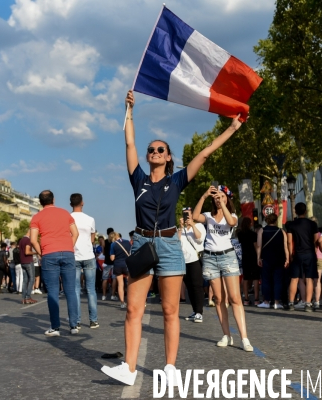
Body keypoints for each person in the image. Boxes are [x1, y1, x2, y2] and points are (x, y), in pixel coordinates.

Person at [101, 90, 243, 386]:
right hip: (141, 244)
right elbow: (129, 141)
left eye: (160, 150)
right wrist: (129, 110)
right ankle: (128, 368)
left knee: (170, 309)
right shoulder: (137, 179)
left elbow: (204, 154)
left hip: (168, 245)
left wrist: (231, 127)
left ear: (168, 158)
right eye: (151, 150)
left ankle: (169, 367)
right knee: (133, 308)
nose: (153, 152)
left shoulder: (176, 180)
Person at [194, 184, 253, 351]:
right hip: (210, 258)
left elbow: (232, 221)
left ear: (227, 199)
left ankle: (244, 338)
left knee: (235, 298)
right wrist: (205, 196)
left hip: (228, 257)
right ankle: (227, 335)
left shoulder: (232, 214)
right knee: (218, 299)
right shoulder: (208, 216)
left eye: (222, 196)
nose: (219, 199)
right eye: (217, 196)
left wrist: (224, 204)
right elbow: (195, 216)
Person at [30, 190, 79, 335]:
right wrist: (69, 246)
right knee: (70, 290)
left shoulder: (36, 217)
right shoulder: (65, 213)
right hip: (68, 253)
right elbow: (75, 233)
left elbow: (33, 240)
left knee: (52, 292)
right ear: (54, 199)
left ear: (40, 202)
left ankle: (55, 327)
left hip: (49, 254)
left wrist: (41, 253)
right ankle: (74, 325)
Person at [70, 193, 99, 328]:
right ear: (82, 203)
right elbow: (92, 239)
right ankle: (93, 320)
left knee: (75, 290)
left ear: (71, 204)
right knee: (91, 289)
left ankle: (77, 321)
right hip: (88, 255)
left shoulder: (67, 218)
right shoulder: (90, 219)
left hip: (74, 255)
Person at [286, 203, 319, 312]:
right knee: (309, 279)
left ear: (295, 211)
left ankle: (291, 302)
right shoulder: (312, 224)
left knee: (294, 279)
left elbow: (289, 241)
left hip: (297, 254)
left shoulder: (291, 225)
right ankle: (308, 304)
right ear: (305, 211)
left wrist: (291, 254)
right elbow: (316, 240)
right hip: (309, 253)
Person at [178, 208, 206, 322]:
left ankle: (200, 312)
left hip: (195, 259)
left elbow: (199, 239)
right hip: (183, 261)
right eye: (185, 215)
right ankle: (195, 310)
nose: (187, 217)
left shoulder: (199, 226)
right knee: (189, 287)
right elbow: (177, 242)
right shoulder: (182, 229)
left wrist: (193, 225)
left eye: (188, 214)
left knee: (197, 286)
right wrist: (180, 227)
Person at [256, 213, 289, 309]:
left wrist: (258, 257)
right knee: (278, 280)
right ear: (276, 220)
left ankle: (266, 301)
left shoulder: (262, 231)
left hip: (266, 258)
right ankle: (277, 302)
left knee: (265, 280)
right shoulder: (281, 231)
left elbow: (259, 246)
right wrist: (287, 258)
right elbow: (285, 246)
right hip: (279, 259)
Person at [238, 217, 259, 306]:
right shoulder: (253, 234)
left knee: (245, 278)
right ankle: (256, 299)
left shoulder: (240, 234)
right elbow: (256, 246)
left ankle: (246, 298)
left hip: (245, 257)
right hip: (253, 257)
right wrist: (258, 256)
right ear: (250, 224)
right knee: (255, 278)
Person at [109, 232, 132, 309]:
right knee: (130, 284)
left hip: (118, 265)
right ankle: (131, 301)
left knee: (120, 284)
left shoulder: (113, 244)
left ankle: (122, 302)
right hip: (127, 265)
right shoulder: (127, 242)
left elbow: (112, 258)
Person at [18, 230, 37, 304]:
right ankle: (28, 297)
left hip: (22, 262)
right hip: (28, 261)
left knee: (25, 280)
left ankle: (23, 298)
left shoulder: (21, 240)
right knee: (32, 279)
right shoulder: (28, 240)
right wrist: (36, 252)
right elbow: (27, 252)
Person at [102, 227, 115, 300]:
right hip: (114, 262)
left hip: (106, 262)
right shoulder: (114, 242)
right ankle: (113, 295)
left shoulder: (104, 241)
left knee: (105, 279)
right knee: (114, 279)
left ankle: (104, 295)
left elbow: (103, 252)